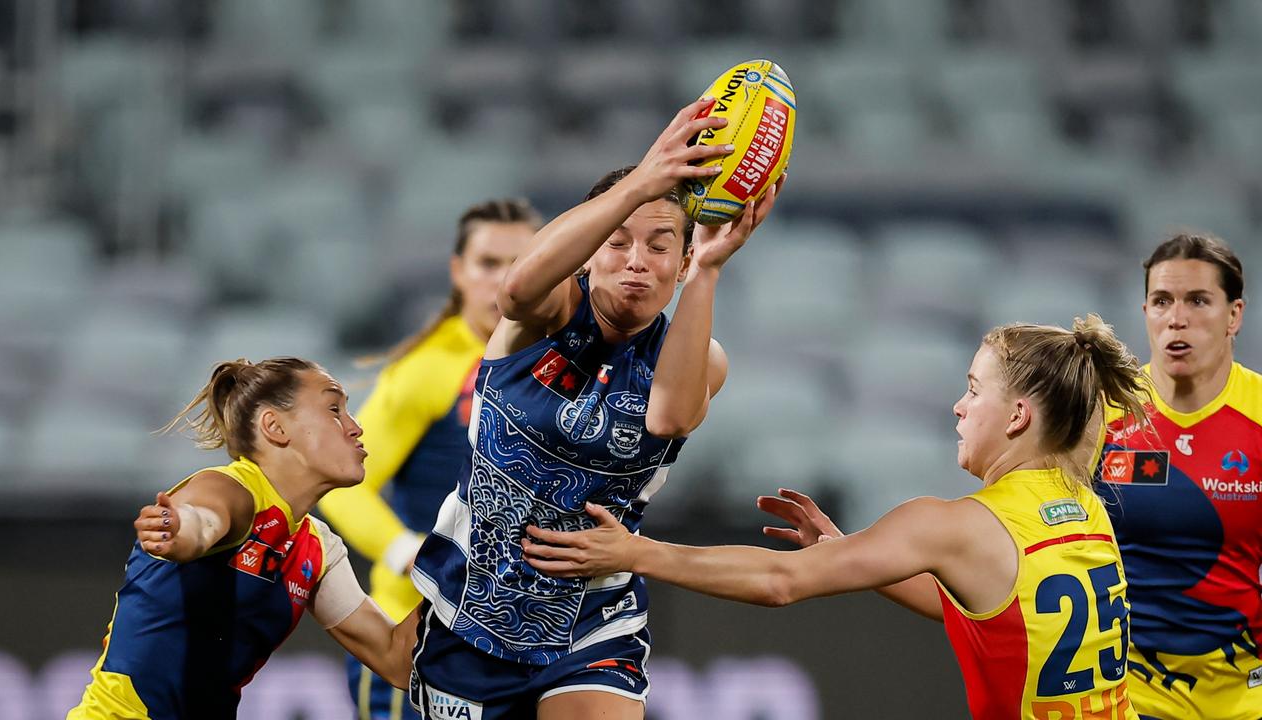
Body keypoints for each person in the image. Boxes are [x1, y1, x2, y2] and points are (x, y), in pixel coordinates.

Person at [524, 315, 1150, 720]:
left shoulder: (954, 524)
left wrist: (639, 554)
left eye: (974, 390)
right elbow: (995, 610)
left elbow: (781, 582)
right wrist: (858, 554)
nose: (959, 408)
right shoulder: (1085, 507)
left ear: (1017, 417)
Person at [406, 95, 780, 719]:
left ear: (682, 260)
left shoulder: (698, 356)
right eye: (617, 242)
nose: (636, 261)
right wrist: (643, 182)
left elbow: (670, 418)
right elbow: (516, 288)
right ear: (589, 250)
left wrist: (709, 273)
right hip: (469, 604)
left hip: (594, 621)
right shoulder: (548, 312)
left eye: (660, 246)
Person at [68, 358, 418, 720]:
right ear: (275, 426)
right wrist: (176, 531)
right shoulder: (230, 489)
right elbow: (201, 523)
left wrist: (458, 558)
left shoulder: (319, 547)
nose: (356, 427)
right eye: (334, 409)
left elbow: (396, 660)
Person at [318, 198, 540, 720]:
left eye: (522, 260)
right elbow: (344, 484)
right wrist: (405, 551)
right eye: (488, 263)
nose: (504, 279)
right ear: (458, 272)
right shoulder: (426, 370)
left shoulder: (559, 362)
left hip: (520, 638)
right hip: (419, 637)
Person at [1092, 235, 1260, 719]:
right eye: (1162, 301)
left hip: (1246, 697)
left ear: (1234, 316)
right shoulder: (1101, 417)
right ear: (1145, 311)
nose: (1176, 318)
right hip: (1132, 696)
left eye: (1198, 301)